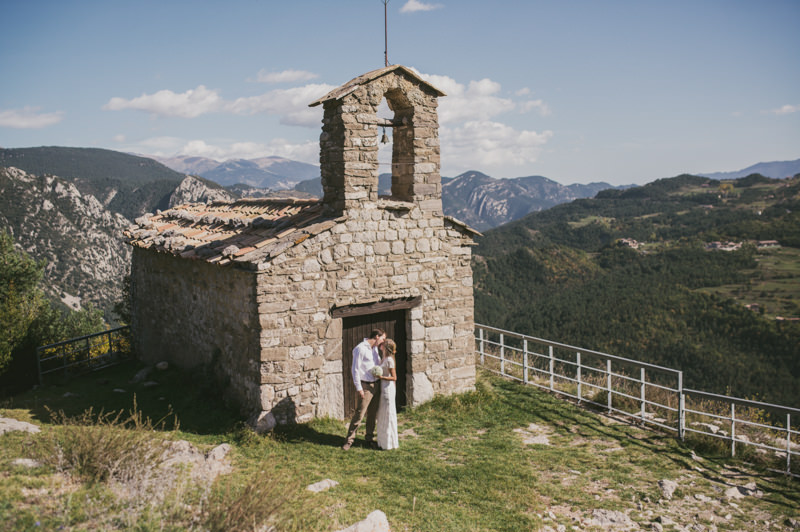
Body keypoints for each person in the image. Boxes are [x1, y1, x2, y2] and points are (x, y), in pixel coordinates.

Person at [342, 328, 385, 450]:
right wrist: (359, 388)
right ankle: (349, 440)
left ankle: (369, 438)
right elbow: (355, 369)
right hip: (366, 386)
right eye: (382, 339)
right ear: (377, 336)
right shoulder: (360, 348)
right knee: (360, 414)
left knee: (372, 414)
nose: (383, 341)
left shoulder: (375, 349)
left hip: (376, 384)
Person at [376, 338, 399, 450]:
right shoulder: (384, 358)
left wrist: (381, 377)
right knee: (383, 413)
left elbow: (394, 377)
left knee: (388, 413)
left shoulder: (390, 360)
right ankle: (382, 441)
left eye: (383, 344)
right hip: (383, 387)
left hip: (388, 389)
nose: (380, 345)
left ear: (385, 348)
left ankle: (389, 443)